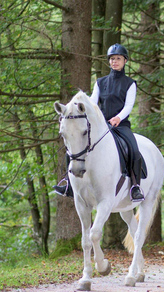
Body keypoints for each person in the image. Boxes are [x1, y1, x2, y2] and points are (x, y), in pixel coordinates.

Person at [54, 43, 145, 202]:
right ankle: (68, 183)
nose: (115, 61)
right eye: (112, 59)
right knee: (75, 147)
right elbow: (93, 103)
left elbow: (129, 105)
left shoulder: (130, 83)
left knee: (134, 150)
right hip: (102, 127)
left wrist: (118, 118)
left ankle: (135, 186)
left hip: (121, 126)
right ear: (109, 62)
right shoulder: (100, 82)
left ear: (125, 61)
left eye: (118, 58)